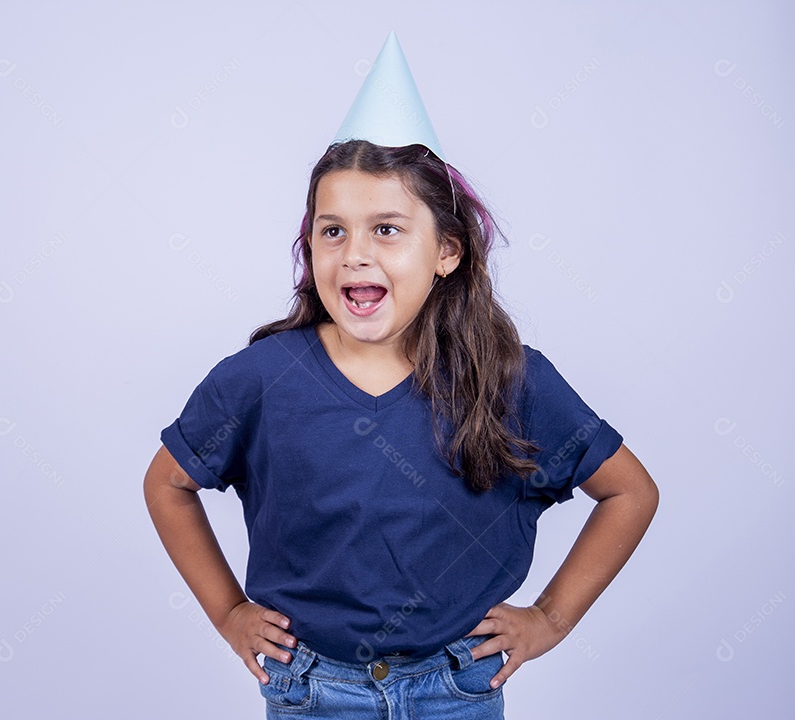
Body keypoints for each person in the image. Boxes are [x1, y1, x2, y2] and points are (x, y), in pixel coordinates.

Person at [144, 33, 658, 720]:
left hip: (456, 693)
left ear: (446, 251)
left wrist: (549, 620)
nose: (355, 254)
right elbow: (168, 482)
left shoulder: (510, 379)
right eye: (333, 231)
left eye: (387, 229)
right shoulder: (260, 379)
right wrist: (230, 611)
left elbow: (629, 492)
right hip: (310, 693)